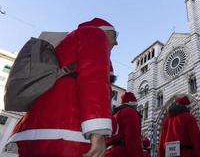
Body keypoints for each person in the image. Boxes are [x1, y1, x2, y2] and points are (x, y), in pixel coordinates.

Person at [8, 18, 118, 157]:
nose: (116, 42)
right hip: (67, 130)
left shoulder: (68, 42)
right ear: (104, 29)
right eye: (115, 35)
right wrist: (98, 131)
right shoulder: (95, 33)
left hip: (34, 129)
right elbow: (93, 79)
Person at [105, 91, 143, 157]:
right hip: (122, 152)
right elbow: (133, 139)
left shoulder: (115, 114)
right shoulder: (130, 112)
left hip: (109, 152)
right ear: (133, 103)